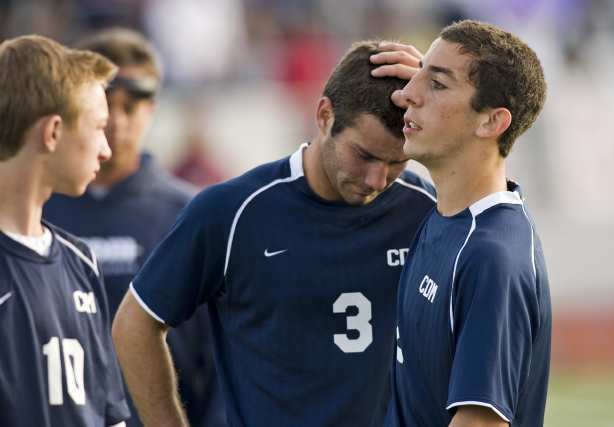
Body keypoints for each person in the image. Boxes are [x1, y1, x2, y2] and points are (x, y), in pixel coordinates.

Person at [112, 41, 437, 427]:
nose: (377, 179)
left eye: (397, 162)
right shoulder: (233, 212)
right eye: (364, 155)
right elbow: (136, 323)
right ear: (324, 115)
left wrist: (440, 94)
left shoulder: (426, 206)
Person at [43, 28, 225, 427]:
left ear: (153, 108)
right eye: (107, 105)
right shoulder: (32, 209)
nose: (118, 123)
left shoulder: (192, 215)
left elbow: (219, 361)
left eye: (133, 105)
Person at [376, 20, 551, 427]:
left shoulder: (493, 257)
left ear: (491, 122)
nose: (406, 94)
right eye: (418, 74)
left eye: (436, 84)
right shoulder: (445, 217)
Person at [0, 35, 129, 426]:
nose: (106, 149)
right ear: (53, 132)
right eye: (99, 127)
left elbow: (110, 415)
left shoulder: (80, 260)